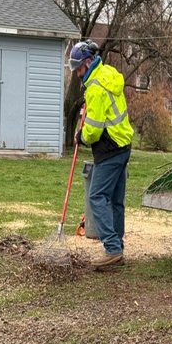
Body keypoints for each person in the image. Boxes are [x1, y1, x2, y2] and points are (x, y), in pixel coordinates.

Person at [70, 40, 134, 267]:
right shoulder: (108, 74)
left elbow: (94, 130)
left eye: (79, 69)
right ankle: (118, 248)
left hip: (109, 149)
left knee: (96, 197)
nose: (78, 74)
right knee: (116, 201)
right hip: (124, 145)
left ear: (88, 62)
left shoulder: (95, 88)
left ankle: (112, 249)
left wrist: (81, 137)